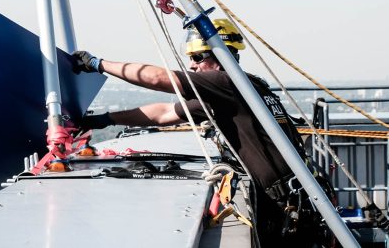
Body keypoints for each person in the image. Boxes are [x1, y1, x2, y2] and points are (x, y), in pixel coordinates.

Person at [73, 20, 329, 247]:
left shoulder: (227, 83)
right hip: (294, 200)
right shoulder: (238, 91)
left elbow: (158, 79)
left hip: (287, 205)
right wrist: (105, 120)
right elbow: (163, 114)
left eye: (197, 58)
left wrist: (98, 64)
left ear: (220, 57)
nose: (192, 66)